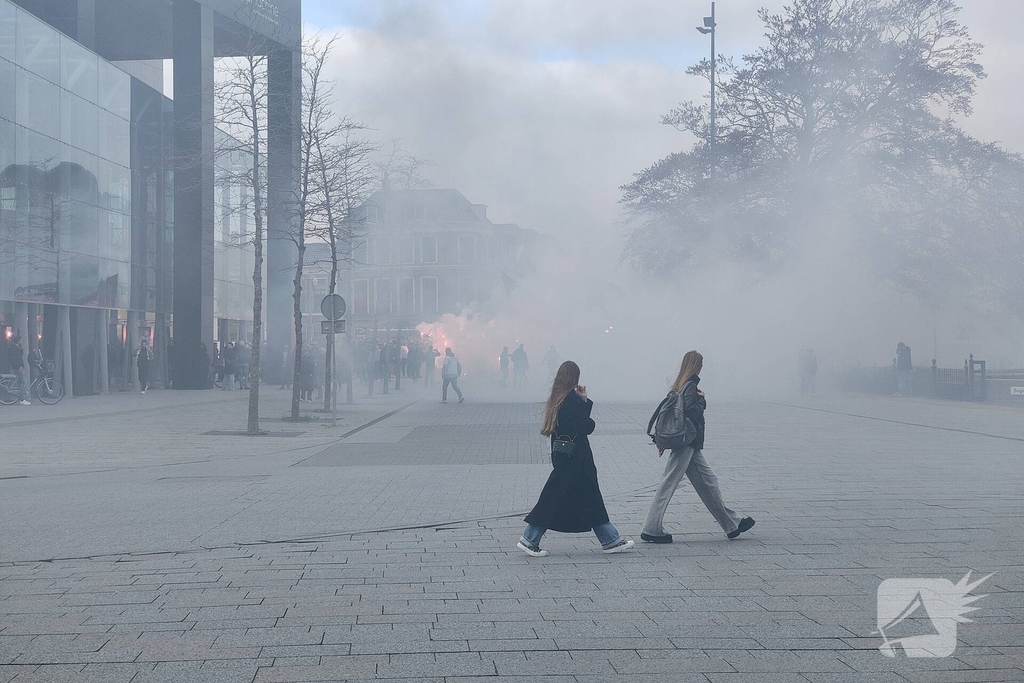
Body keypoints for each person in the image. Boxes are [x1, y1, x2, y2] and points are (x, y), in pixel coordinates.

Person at [519, 361, 634, 556]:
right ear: (574, 378)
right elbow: (586, 426)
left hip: (565, 457)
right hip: (576, 460)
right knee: (554, 498)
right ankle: (529, 539)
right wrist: (584, 400)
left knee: (589, 498)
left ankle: (610, 539)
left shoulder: (558, 398)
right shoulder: (571, 400)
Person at [641, 350, 755, 544]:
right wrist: (701, 400)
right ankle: (651, 528)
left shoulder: (680, 383)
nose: (702, 367)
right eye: (700, 364)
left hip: (688, 443)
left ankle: (731, 524)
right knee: (669, 483)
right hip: (687, 441)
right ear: (696, 365)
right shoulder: (690, 384)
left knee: (709, 482)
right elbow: (688, 414)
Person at [7, 335, 29, 405]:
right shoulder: (13, 348)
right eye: (21, 341)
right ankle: (22, 399)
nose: (22, 342)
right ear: (19, 341)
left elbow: (19, 356)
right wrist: (19, 366)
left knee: (20, 382)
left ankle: (22, 396)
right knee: (24, 382)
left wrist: (21, 349)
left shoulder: (15, 348)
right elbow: (15, 359)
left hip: (17, 367)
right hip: (18, 367)